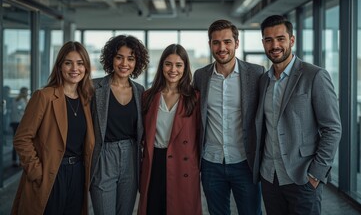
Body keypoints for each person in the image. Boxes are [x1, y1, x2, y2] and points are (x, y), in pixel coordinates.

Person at [253, 15, 342, 215]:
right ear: (263, 43)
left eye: (280, 39)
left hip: (302, 178)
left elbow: (332, 128)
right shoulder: (263, 81)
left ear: (291, 40)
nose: (274, 45)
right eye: (269, 40)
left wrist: (316, 174)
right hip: (270, 177)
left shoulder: (315, 75)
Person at [11, 41, 95, 215]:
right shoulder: (44, 96)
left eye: (80, 63)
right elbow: (22, 138)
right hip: (51, 172)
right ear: (59, 66)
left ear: (86, 67)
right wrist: (36, 171)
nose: (74, 68)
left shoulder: (86, 100)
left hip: (78, 173)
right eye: (68, 63)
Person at [193, 19, 264, 215]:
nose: (221, 47)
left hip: (245, 163)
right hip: (211, 163)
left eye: (227, 42)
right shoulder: (200, 76)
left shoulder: (256, 74)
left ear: (236, 43)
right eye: (216, 42)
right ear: (210, 45)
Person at [138, 44, 202, 215]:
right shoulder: (148, 96)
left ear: (185, 68)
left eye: (179, 65)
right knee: (153, 208)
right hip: (155, 161)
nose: (173, 69)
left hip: (183, 164)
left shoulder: (194, 98)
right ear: (162, 66)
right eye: (168, 64)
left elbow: (199, 135)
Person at [89, 35, 149, 215]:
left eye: (130, 59)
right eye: (119, 57)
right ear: (111, 59)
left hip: (131, 156)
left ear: (136, 62)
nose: (124, 63)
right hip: (103, 156)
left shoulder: (140, 91)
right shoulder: (94, 88)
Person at [10, 87, 29, 167]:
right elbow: (23, 111)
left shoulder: (15, 100)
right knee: (21, 142)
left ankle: (15, 160)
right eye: (27, 92)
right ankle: (19, 161)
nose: (27, 93)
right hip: (19, 123)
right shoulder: (21, 101)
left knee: (16, 141)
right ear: (24, 93)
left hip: (14, 122)